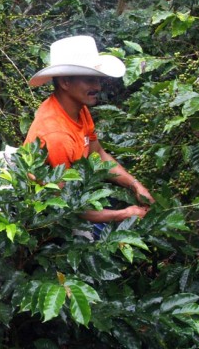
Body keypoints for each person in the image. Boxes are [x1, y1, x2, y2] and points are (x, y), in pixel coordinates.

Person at [24, 35, 154, 237]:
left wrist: (135, 184)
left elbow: (98, 153)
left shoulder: (76, 108)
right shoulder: (56, 134)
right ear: (65, 82)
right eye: (90, 79)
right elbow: (68, 205)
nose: (98, 87)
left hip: (73, 189)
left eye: (98, 79)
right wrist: (124, 214)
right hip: (49, 211)